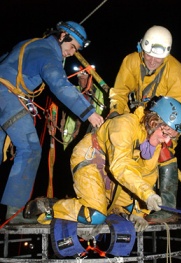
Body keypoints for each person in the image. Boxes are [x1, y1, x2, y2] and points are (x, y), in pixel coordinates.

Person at [24, 96, 181, 230]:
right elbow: (121, 165)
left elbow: (147, 176)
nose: (166, 140)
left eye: (171, 137)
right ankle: (49, 207)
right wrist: (147, 194)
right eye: (166, 133)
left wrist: (141, 211)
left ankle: (79, 206)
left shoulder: (154, 145)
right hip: (91, 157)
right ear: (154, 122)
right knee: (95, 215)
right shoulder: (124, 124)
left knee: (126, 211)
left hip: (117, 173)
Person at [0, 20, 104, 224]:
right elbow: (59, 84)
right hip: (5, 95)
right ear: (62, 36)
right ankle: (14, 214)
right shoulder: (46, 53)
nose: (72, 52)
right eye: (72, 46)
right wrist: (89, 112)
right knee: (30, 148)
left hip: (5, 92)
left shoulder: (30, 44)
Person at [108, 25, 181, 222]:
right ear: (141, 48)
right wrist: (115, 114)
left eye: (157, 58)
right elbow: (119, 92)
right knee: (121, 150)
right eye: (148, 55)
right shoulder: (131, 61)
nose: (152, 60)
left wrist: (162, 134)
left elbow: (175, 112)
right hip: (136, 117)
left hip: (162, 123)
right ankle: (117, 201)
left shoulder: (177, 72)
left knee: (164, 151)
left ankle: (168, 207)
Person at [62, 66, 105, 147]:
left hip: (92, 130)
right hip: (74, 131)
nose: (85, 82)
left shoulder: (100, 93)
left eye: (87, 79)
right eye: (82, 79)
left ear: (92, 79)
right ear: (78, 81)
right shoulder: (73, 91)